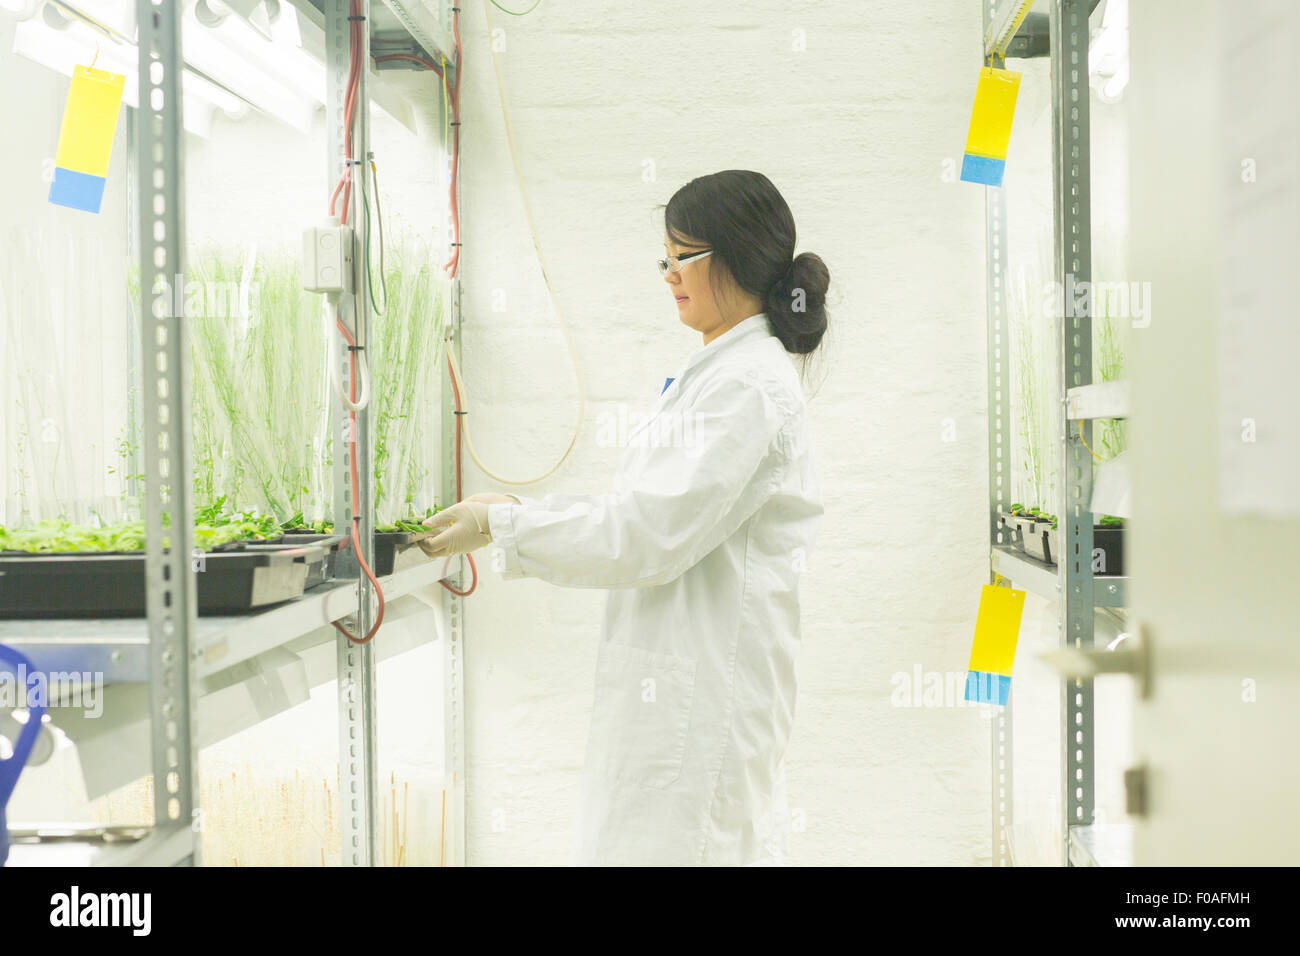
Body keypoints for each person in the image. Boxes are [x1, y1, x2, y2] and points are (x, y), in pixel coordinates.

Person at [421, 169, 828, 866]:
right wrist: (511, 511)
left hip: (703, 705)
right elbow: (638, 515)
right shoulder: (716, 375)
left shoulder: (750, 387)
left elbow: (646, 537)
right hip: (676, 693)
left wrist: (507, 527)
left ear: (735, 257)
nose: (668, 274)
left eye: (682, 257)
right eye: (664, 258)